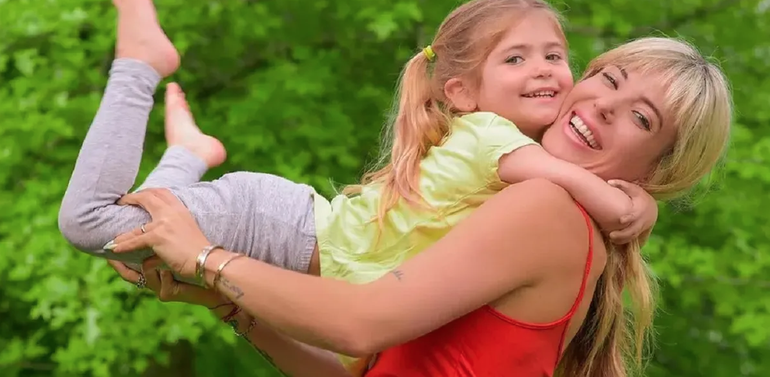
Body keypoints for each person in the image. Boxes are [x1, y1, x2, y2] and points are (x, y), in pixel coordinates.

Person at [107, 36, 733, 377]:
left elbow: (361, 322)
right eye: (609, 80)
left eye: (640, 119)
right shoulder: (539, 208)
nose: (602, 107)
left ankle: (136, 65)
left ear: (655, 171)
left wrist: (205, 255)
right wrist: (233, 306)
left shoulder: (548, 208)